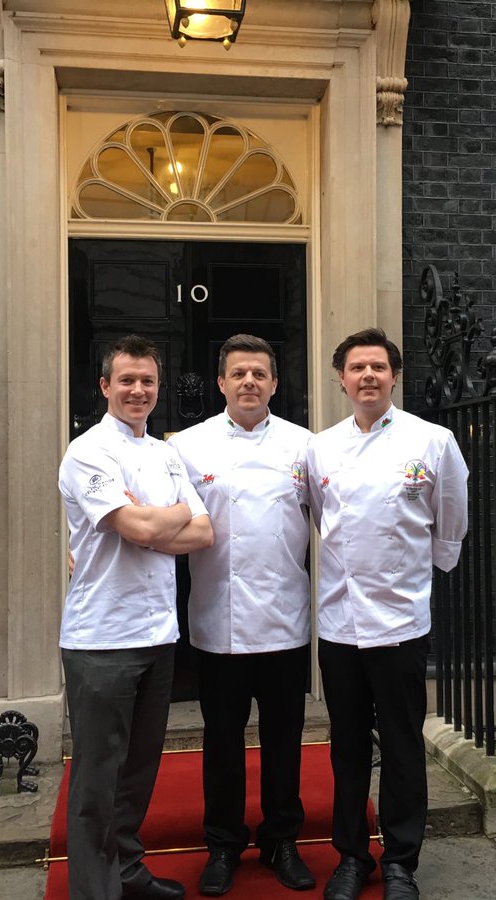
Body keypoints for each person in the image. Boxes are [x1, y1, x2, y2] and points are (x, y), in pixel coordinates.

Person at [304, 328, 469, 900]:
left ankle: (401, 860)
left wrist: (423, 571)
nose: (368, 376)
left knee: (401, 746)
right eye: (357, 368)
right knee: (347, 747)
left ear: (394, 376)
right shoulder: (320, 448)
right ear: (341, 379)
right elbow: (321, 517)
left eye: (378, 366)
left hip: (400, 620)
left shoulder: (433, 441)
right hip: (339, 623)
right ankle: (352, 857)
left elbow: (451, 517)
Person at [58, 335, 215, 900]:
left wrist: (152, 520)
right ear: (105, 386)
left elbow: (204, 532)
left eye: (147, 380)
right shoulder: (88, 452)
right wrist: (166, 516)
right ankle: (94, 892)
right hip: (101, 636)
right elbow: (138, 527)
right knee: (98, 780)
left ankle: (127, 872)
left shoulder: (166, 454)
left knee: (139, 770)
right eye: (126, 380)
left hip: (158, 632)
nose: (138, 390)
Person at [167, 334, 316, 896]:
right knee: (222, 741)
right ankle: (223, 844)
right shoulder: (188, 447)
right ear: (221, 383)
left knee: (285, 739)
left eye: (259, 373)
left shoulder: (306, 446)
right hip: (218, 618)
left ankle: (282, 840)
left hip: (284, 618)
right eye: (238, 373)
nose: (249, 382)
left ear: (274, 383)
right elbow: (162, 518)